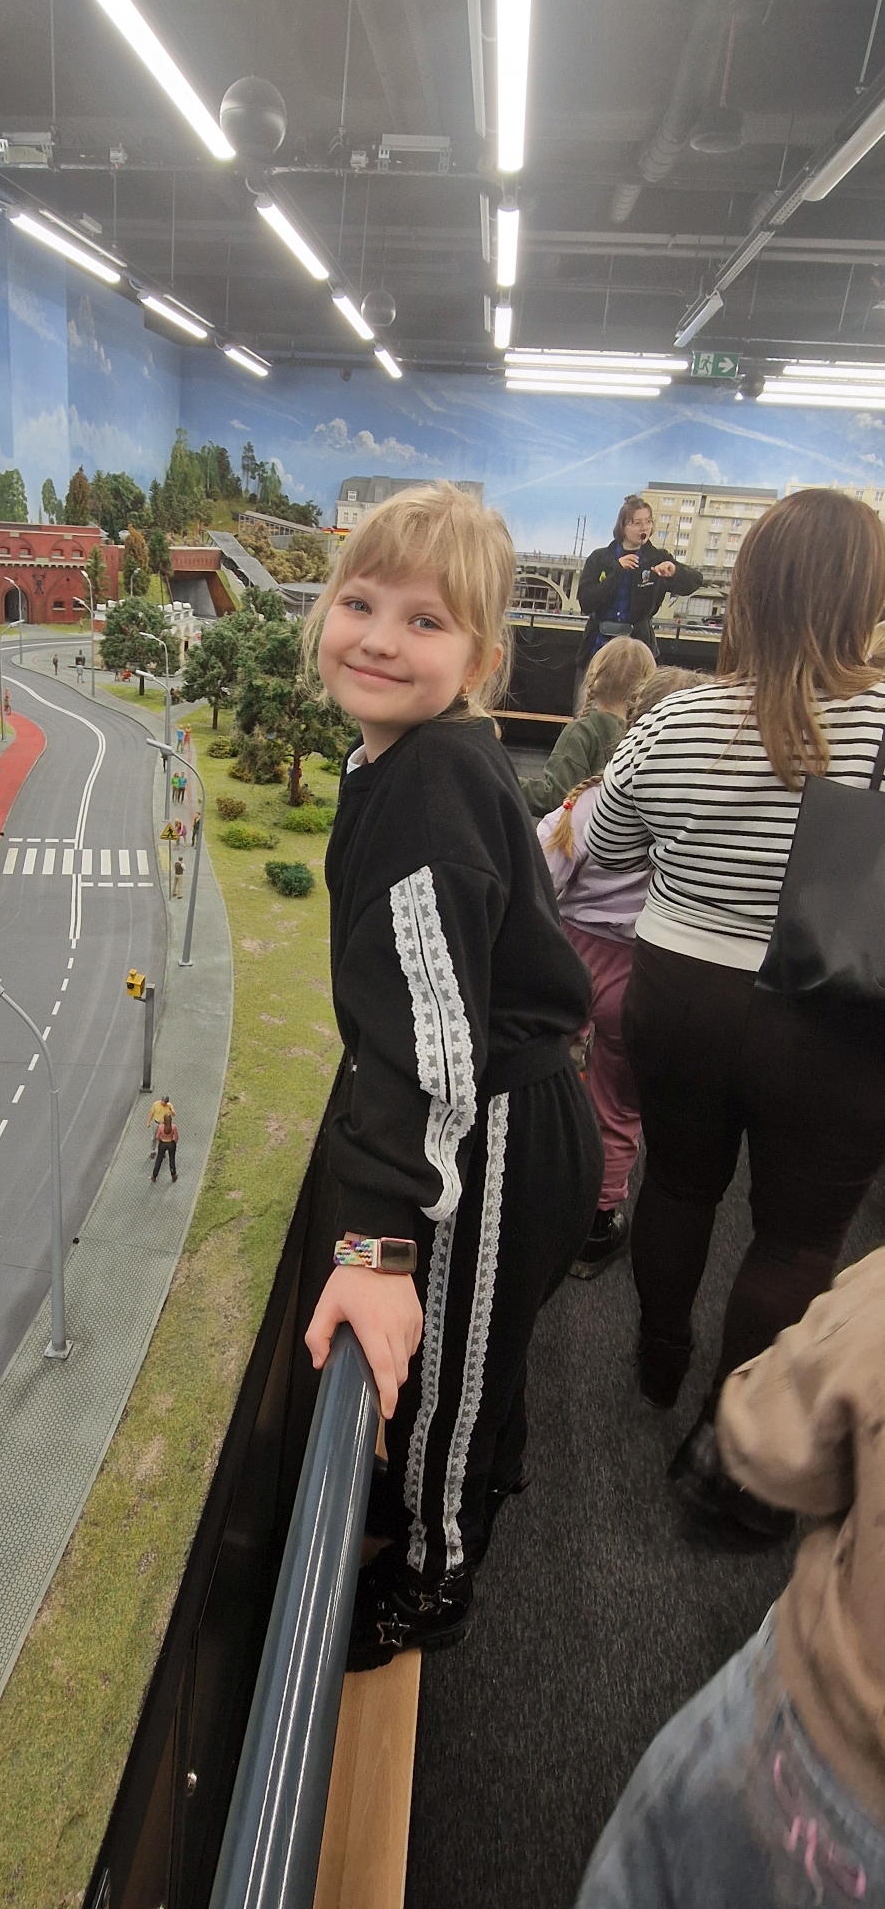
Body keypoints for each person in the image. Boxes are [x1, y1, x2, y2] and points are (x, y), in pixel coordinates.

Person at [301, 482, 602, 1668]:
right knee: (477, 1356)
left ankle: (433, 1576)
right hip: (514, 1101)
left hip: (500, 1121)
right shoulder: (410, 757)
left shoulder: (426, 785)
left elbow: (427, 1045)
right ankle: (463, 1486)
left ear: (478, 659)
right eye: (360, 602)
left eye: (424, 620)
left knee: (447, 1378)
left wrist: (375, 1247)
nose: (379, 637)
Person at [585, 488, 885, 1539]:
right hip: (837, 1017)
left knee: (677, 1182)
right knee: (797, 1242)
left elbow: (608, 847)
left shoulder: (676, 715)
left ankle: (658, 1358)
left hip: (682, 994)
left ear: (747, 587)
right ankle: (735, 1434)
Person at [575, 1252, 885, 1909]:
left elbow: (773, 1438)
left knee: (652, 1875)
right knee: (796, 1237)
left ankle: (661, 1368)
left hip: (823, 1740)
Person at [537, 668, 697, 1276]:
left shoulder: (589, 802)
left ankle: (537, 1188)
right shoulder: (702, 819)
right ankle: (596, 1224)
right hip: (647, 968)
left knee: (548, 1077)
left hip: (572, 956)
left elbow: (544, 880)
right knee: (618, 1105)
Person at [520, 637, 656, 817]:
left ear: (594, 676)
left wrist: (506, 780)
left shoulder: (581, 732)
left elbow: (554, 798)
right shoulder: (646, 739)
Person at [576, 494, 702, 666]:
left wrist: (674, 572)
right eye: (637, 523)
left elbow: (695, 581)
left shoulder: (656, 558)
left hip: (639, 643)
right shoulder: (600, 558)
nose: (644, 528)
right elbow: (586, 603)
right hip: (599, 643)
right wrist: (616, 573)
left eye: (648, 521)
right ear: (623, 527)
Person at [151, 1105, 178, 1182]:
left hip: (163, 1143)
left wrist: (160, 1141)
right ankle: (173, 1176)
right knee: (172, 1159)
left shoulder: (160, 1127)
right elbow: (176, 1137)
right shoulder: (173, 1127)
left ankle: (154, 1176)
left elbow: (157, 1136)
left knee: (159, 1160)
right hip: (171, 1143)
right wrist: (174, 1143)